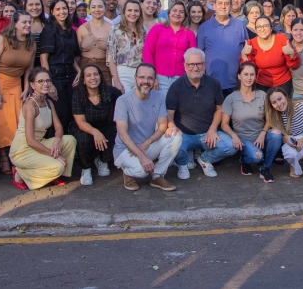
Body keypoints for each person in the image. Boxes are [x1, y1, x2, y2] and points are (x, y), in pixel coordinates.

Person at [168, 48, 237, 179]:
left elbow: (219, 109)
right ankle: (183, 163)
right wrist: (173, 127)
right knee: (170, 144)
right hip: (185, 135)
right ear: (185, 66)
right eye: (191, 64)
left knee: (230, 146)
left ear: (204, 65)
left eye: (199, 64)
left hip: (207, 134)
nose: (195, 68)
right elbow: (169, 113)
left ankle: (204, 159)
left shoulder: (214, 84)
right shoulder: (176, 86)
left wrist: (212, 129)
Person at [113, 63, 181, 191]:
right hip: (126, 149)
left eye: (150, 78)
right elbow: (122, 134)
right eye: (142, 77)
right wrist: (142, 156)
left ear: (155, 80)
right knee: (142, 172)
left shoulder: (159, 96)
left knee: (175, 136)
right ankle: (127, 172)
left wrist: (147, 142)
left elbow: (162, 126)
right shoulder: (123, 101)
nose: (146, 81)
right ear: (135, 79)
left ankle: (157, 176)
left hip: (146, 145)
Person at [0, 10, 36, 175]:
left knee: (15, 122)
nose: (28, 25)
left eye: (29, 22)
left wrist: (27, 88)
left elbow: (29, 69)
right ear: (15, 24)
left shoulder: (31, 43)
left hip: (15, 84)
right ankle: (3, 157)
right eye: (24, 22)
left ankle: (15, 156)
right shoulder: (2, 39)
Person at [9, 67, 76, 190]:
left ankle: (54, 175)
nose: (45, 84)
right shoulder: (30, 105)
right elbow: (30, 141)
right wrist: (54, 155)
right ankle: (20, 174)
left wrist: (56, 141)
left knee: (70, 140)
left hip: (39, 143)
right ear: (32, 85)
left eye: (48, 81)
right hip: (23, 150)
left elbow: (59, 127)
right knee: (58, 166)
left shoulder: (48, 102)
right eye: (40, 81)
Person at [220, 62, 281, 182]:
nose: (249, 78)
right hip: (243, 139)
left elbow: (270, 117)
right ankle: (244, 159)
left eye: (252, 75)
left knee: (277, 134)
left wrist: (263, 133)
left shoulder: (263, 95)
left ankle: (266, 168)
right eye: (246, 74)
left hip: (260, 137)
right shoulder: (231, 98)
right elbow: (224, 124)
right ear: (239, 76)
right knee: (256, 156)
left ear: (255, 77)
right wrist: (233, 136)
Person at [72, 64, 122, 186]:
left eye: (95, 74)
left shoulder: (112, 93)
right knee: (84, 139)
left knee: (114, 134)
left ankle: (102, 160)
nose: (93, 78)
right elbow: (80, 122)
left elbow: (123, 112)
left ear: (100, 76)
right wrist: (95, 132)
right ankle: (86, 168)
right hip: (84, 128)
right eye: (88, 75)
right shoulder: (78, 94)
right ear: (83, 80)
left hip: (106, 126)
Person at [40, 0, 81, 133]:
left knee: (72, 112)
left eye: (64, 8)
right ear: (52, 11)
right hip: (55, 76)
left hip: (71, 76)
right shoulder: (49, 30)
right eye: (57, 9)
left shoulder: (71, 32)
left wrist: (79, 72)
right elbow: (43, 58)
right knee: (60, 113)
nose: (61, 12)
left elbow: (73, 58)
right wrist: (48, 83)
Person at [197, 0, 249, 97]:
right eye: (220, 3)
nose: (223, 6)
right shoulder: (204, 27)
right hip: (211, 84)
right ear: (214, 5)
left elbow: (247, 52)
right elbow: (199, 56)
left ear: (230, 6)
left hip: (236, 84)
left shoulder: (240, 26)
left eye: (226, 3)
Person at [143, 0, 196, 95]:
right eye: (174, 10)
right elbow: (148, 52)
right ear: (169, 13)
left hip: (181, 77)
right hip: (159, 76)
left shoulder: (189, 33)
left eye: (181, 12)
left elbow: (193, 58)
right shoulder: (157, 29)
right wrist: (151, 76)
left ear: (185, 15)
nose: (177, 14)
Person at [241, 16, 300, 94]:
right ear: (255, 29)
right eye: (259, 26)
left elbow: (294, 65)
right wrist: (244, 54)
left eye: (265, 26)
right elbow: (249, 69)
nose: (262, 29)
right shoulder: (251, 43)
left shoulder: (281, 38)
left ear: (271, 27)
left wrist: (292, 53)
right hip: (262, 84)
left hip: (283, 83)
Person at [108, 0, 145, 94]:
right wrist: (116, 80)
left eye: (136, 10)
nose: (133, 13)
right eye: (129, 10)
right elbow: (111, 57)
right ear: (124, 12)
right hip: (122, 73)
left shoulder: (144, 31)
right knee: (125, 104)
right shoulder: (115, 29)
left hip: (140, 73)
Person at [77, 0, 112, 84]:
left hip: (105, 68)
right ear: (89, 9)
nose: (97, 10)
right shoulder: (82, 29)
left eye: (100, 6)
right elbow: (75, 55)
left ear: (105, 7)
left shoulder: (112, 28)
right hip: (85, 68)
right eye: (93, 7)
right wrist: (78, 71)